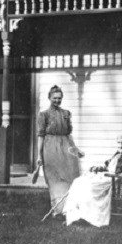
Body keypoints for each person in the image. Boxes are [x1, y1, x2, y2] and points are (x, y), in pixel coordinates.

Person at [63, 133, 122, 227]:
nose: (121, 145)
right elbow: (107, 167)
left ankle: (90, 217)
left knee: (90, 187)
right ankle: (76, 216)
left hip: (116, 181)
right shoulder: (117, 154)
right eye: (119, 143)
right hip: (107, 176)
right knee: (78, 182)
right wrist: (97, 168)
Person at [36, 85, 84, 215]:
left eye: (59, 98)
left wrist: (76, 149)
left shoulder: (66, 114)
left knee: (70, 175)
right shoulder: (44, 115)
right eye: (54, 98)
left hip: (66, 146)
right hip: (50, 146)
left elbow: (69, 135)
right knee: (55, 178)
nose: (57, 100)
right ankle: (58, 209)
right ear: (49, 98)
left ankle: (70, 208)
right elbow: (41, 136)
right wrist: (39, 156)